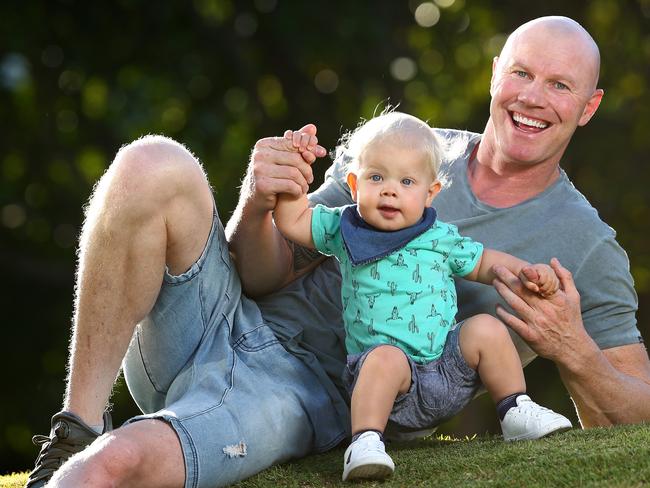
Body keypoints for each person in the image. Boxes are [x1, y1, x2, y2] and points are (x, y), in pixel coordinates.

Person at [25, 15, 650, 488]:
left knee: (115, 466)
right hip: (215, 325)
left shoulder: (586, 245)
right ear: (495, 77)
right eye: (521, 72)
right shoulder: (403, 147)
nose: (533, 97)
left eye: (560, 85)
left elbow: (636, 416)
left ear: (588, 107)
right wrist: (258, 203)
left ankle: (98, 452)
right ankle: (76, 422)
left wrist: (575, 351)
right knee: (151, 161)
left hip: (302, 395)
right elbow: (266, 275)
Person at [273, 111, 572, 481]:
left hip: (446, 369)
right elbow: (293, 221)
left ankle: (515, 410)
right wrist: (294, 175)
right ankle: (365, 441)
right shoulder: (343, 228)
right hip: (386, 384)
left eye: (407, 181)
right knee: (384, 357)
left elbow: (485, 263)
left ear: (430, 193)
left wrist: (528, 273)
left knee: (484, 328)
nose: (389, 189)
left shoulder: (439, 238)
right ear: (354, 184)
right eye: (376, 177)